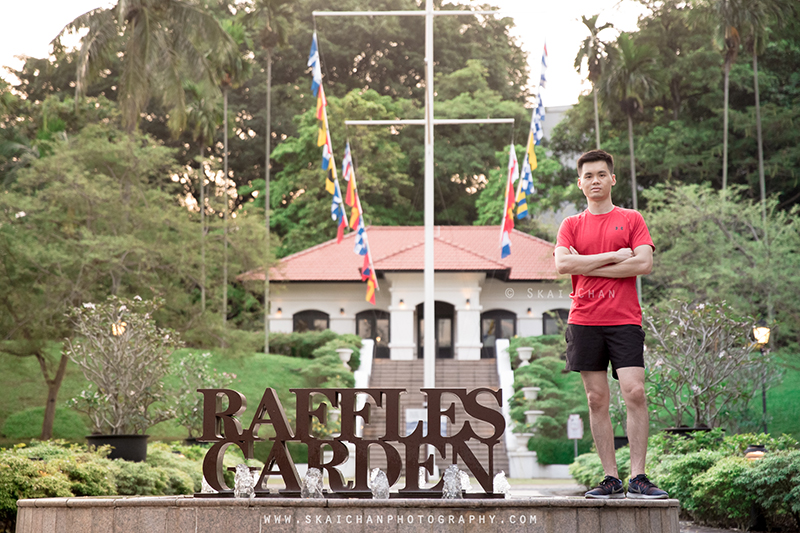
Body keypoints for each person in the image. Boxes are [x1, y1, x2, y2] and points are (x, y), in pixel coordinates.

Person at [553, 149, 668, 500]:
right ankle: (610, 478)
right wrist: (614, 256)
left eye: (601, 174)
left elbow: (643, 264)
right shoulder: (571, 224)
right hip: (585, 319)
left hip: (624, 320)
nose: (595, 181)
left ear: (612, 179)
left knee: (635, 392)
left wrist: (585, 265)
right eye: (588, 176)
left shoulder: (632, 219)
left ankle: (638, 477)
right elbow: (561, 265)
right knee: (595, 398)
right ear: (580, 183)